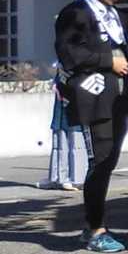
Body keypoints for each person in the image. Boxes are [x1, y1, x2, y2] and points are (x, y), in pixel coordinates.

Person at [54, 0, 128, 252]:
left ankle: (95, 226)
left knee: (109, 161)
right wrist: (107, 61)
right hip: (94, 98)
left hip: (119, 100)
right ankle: (95, 228)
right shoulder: (76, 12)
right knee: (99, 162)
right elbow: (68, 53)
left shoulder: (115, 15)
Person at [38, 63, 86, 192]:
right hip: (62, 99)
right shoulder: (62, 58)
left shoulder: (78, 56)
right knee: (59, 137)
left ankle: (76, 179)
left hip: (75, 97)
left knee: (75, 139)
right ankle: (57, 177)